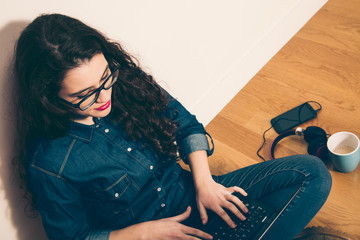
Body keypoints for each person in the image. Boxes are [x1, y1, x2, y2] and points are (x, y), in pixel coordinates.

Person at [13, 13, 332, 240]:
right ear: (48, 98)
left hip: (194, 193)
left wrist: (206, 183)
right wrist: (141, 234)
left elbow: (187, 126)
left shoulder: (125, 83)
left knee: (312, 174)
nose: (104, 95)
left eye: (105, 77)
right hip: (149, 234)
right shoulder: (50, 164)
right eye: (85, 95)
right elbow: (73, 237)